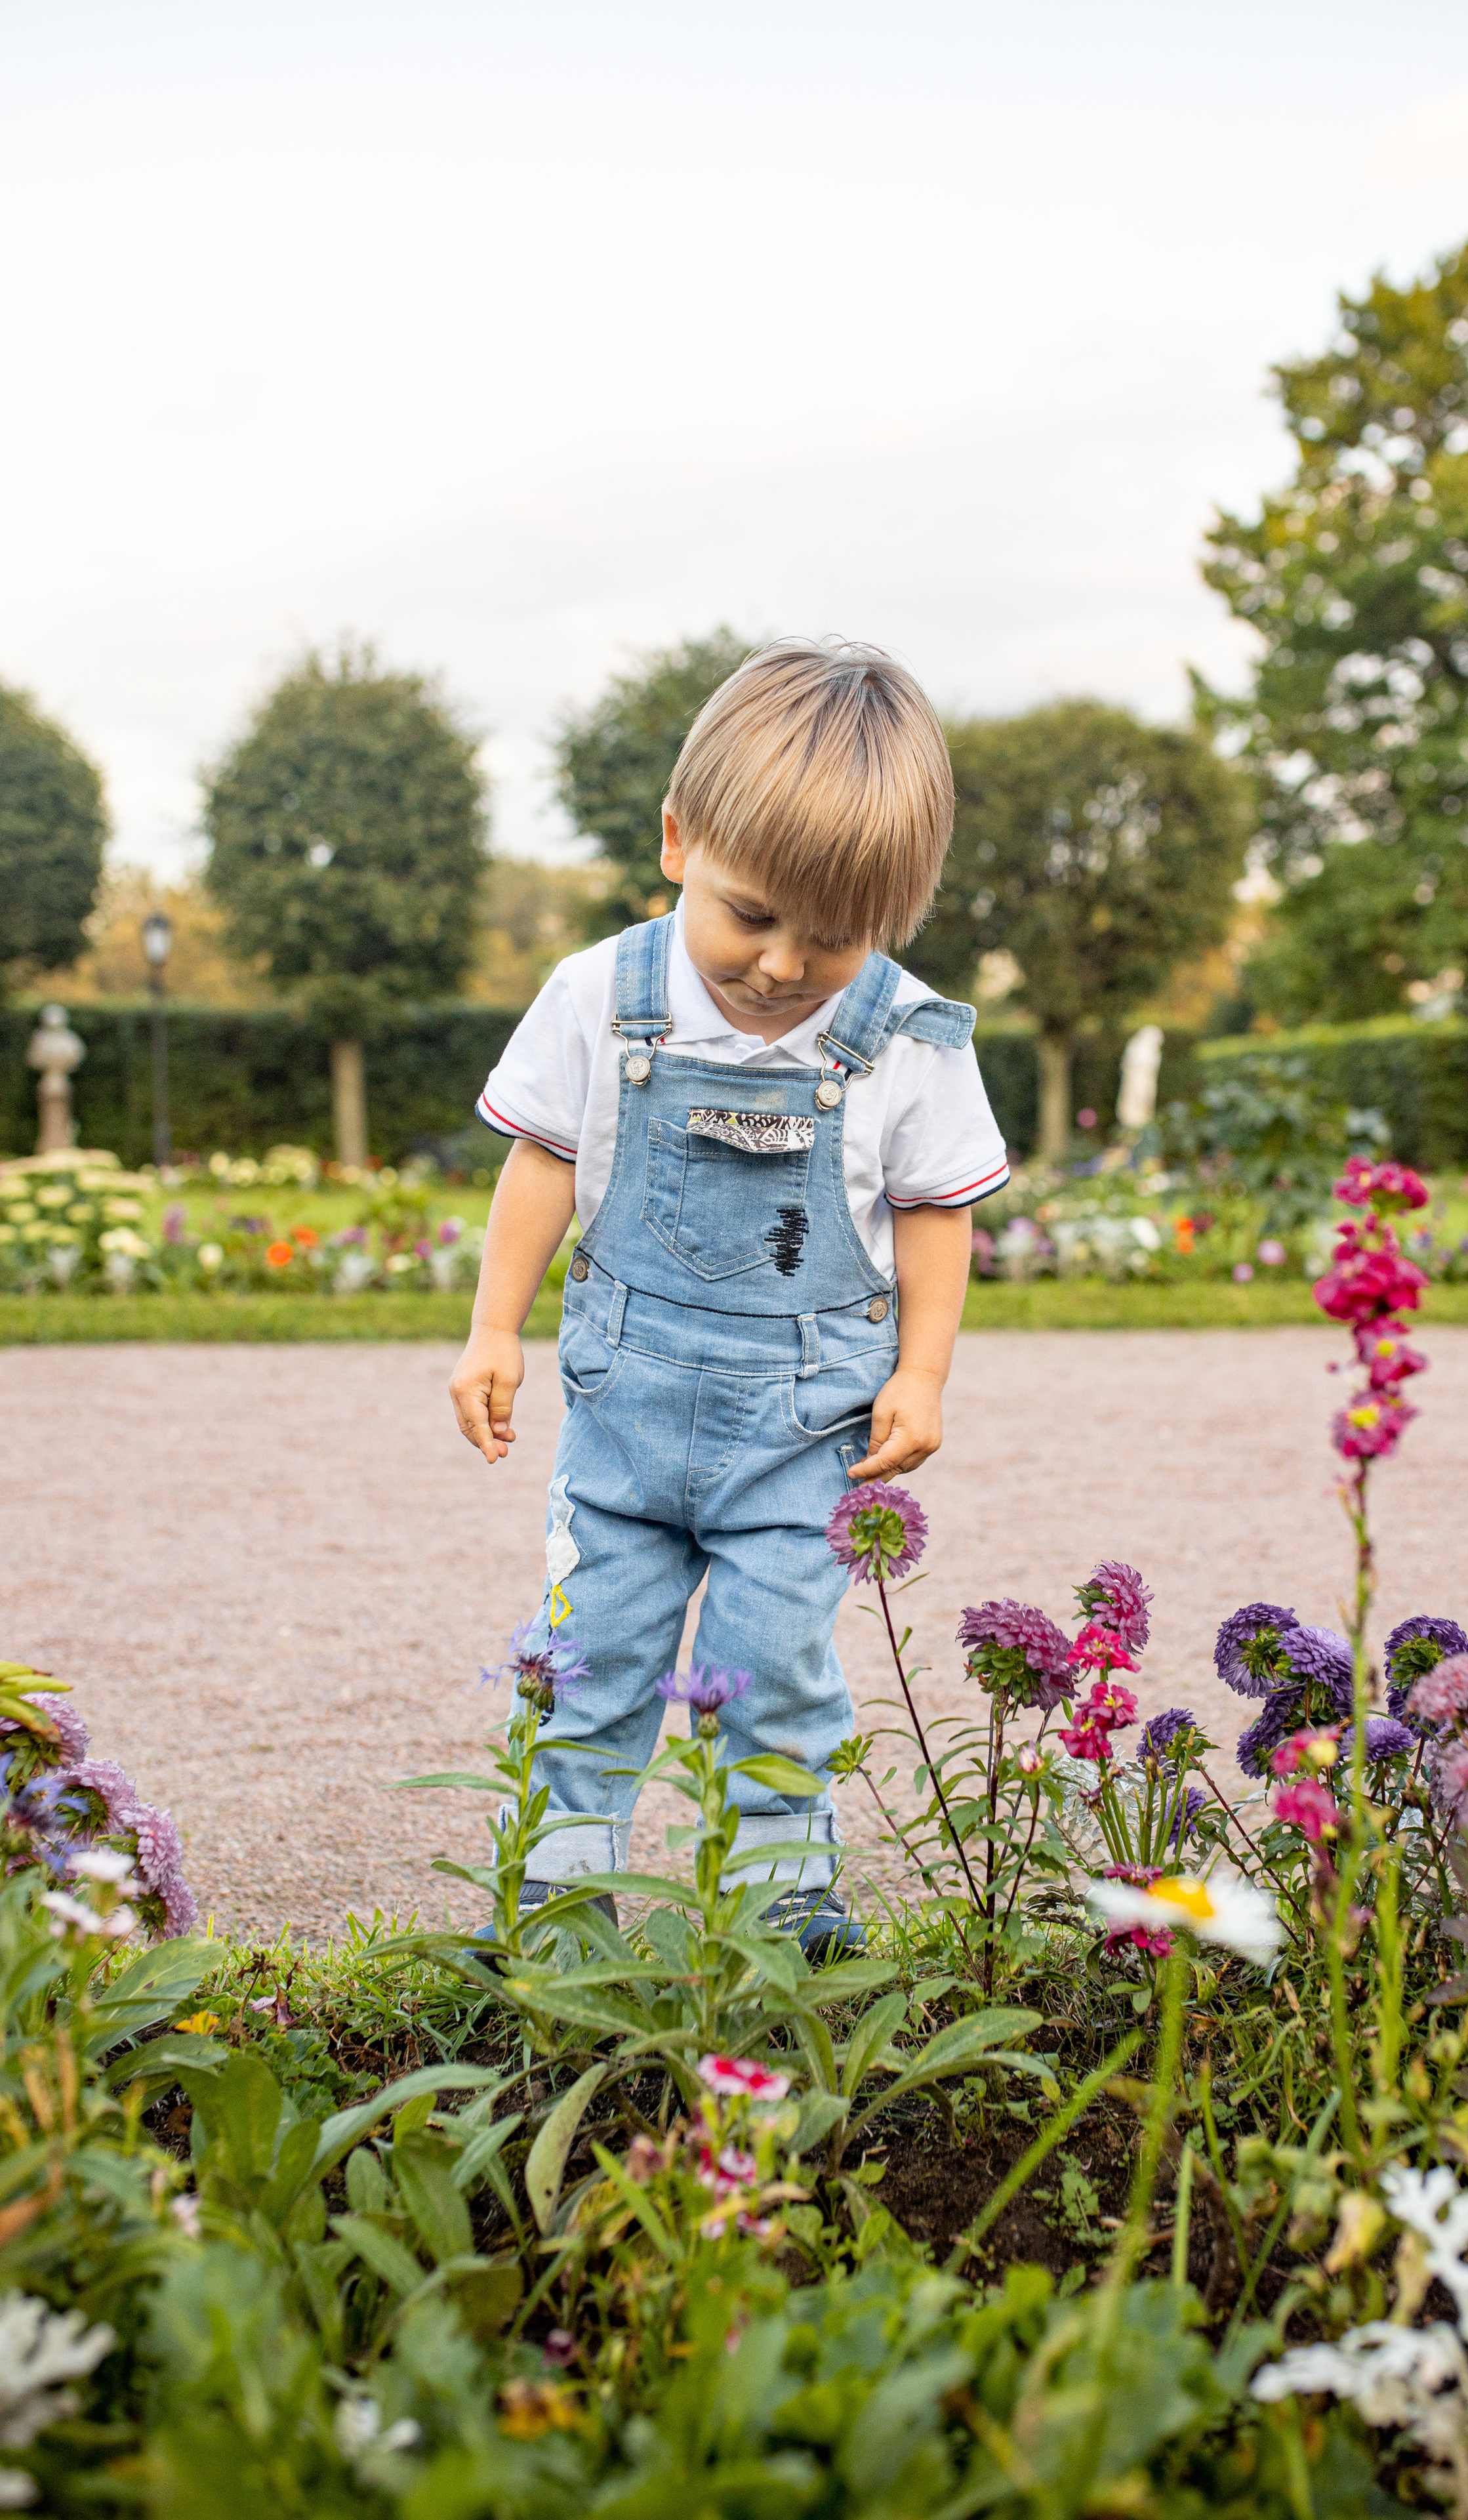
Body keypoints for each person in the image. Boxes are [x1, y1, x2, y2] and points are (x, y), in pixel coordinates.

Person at [448, 638, 1009, 1951]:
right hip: (621, 1421)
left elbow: (937, 1215)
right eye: (749, 914)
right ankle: (556, 1897)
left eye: (831, 937)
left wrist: (920, 1374)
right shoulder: (602, 994)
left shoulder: (907, 1037)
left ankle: (779, 1903)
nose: (778, 965)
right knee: (589, 1656)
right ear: (676, 840)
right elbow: (542, 1160)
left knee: (775, 1672)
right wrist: (493, 1329)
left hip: (799, 1438)